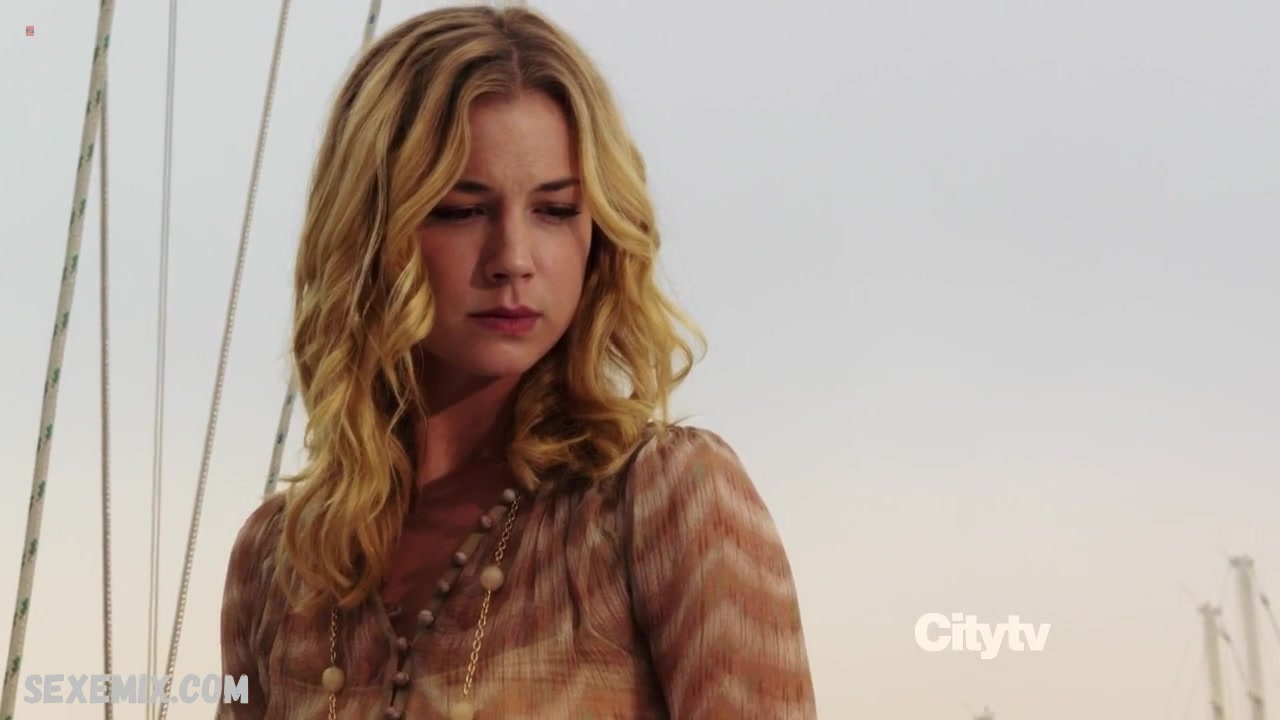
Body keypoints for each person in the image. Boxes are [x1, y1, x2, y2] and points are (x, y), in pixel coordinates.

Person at [219, 5, 816, 719]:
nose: (513, 259)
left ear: (601, 231)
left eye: (555, 210)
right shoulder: (280, 561)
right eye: (461, 210)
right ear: (369, 232)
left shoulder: (665, 498)